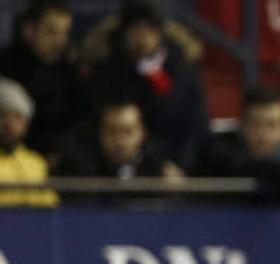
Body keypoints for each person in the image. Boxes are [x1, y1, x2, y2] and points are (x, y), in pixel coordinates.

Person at [85, 0, 208, 171]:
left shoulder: (182, 70)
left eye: (149, 29)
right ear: (123, 32)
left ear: (161, 32)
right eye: (135, 30)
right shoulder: (106, 71)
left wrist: (180, 165)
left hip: (174, 167)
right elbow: (92, 121)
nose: (141, 37)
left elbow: (196, 125)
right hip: (111, 166)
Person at [0, 0, 86, 162]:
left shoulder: (71, 70)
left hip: (60, 159)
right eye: (51, 32)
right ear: (29, 30)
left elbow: (78, 121)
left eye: (64, 32)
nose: (60, 41)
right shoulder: (6, 66)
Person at [58, 99, 181, 180]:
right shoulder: (80, 174)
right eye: (111, 131)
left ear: (142, 133)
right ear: (100, 134)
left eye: (128, 131)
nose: (119, 140)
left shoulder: (158, 171)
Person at [0, 77, 56, 206]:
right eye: (2, 116)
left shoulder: (36, 163)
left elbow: (48, 206)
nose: (9, 125)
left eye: (17, 117)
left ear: (26, 124)